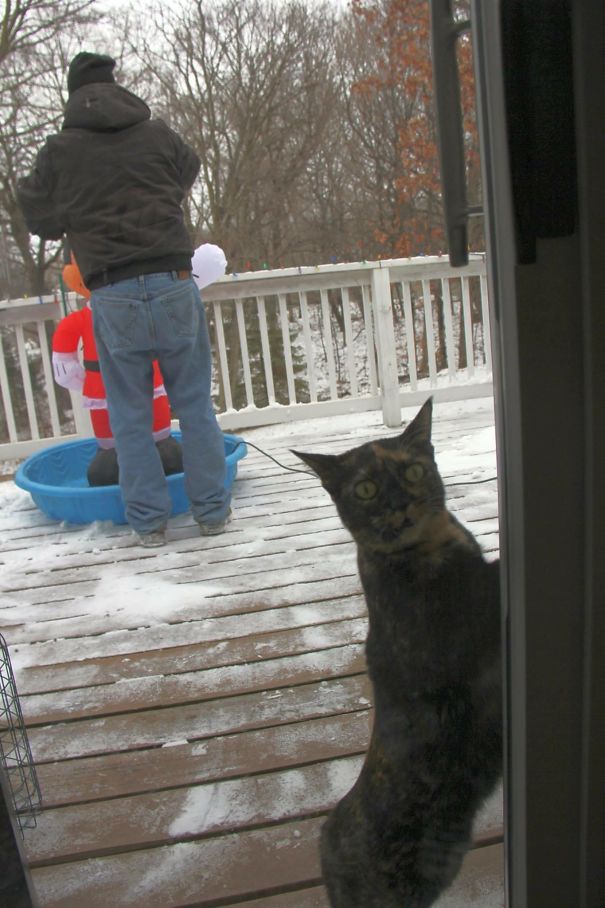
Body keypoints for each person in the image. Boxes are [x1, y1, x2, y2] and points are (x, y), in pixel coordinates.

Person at [17, 51, 231, 547]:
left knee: (130, 416)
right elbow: (189, 166)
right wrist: (161, 197)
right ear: (115, 85)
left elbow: (36, 212)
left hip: (111, 293)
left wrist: (63, 218)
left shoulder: (59, 151)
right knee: (196, 406)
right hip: (174, 282)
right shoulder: (156, 133)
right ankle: (212, 514)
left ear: (73, 94)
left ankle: (150, 524)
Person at [54, 254, 183, 486]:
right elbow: (63, 366)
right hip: (105, 388)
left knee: (162, 448)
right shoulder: (79, 321)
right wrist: (87, 383)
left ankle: (155, 464)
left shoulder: (144, 307)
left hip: (137, 381)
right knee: (111, 458)